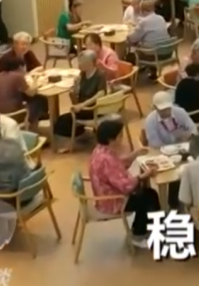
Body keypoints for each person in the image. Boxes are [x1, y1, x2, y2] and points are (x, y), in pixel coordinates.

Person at [89, 119, 158, 247]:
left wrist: (135, 155)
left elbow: (118, 165)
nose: (122, 139)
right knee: (147, 198)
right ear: (111, 139)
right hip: (112, 200)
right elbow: (126, 186)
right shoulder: (106, 159)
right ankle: (138, 235)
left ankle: (147, 226)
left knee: (149, 193)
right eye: (120, 136)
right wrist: (144, 175)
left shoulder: (100, 150)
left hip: (106, 193)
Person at [52, 51, 107, 140]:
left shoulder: (100, 75)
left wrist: (82, 105)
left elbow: (101, 93)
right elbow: (75, 99)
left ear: (90, 63)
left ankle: (72, 138)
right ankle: (78, 132)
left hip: (93, 108)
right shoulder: (82, 74)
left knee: (61, 123)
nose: (79, 64)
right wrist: (76, 87)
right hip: (82, 108)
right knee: (60, 122)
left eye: (82, 62)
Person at [0, 54, 40, 126]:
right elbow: (32, 93)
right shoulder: (18, 77)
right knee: (39, 101)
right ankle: (31, 125)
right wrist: (36, 79)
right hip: (13, 115)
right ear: (21, 67)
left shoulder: (1, 74)